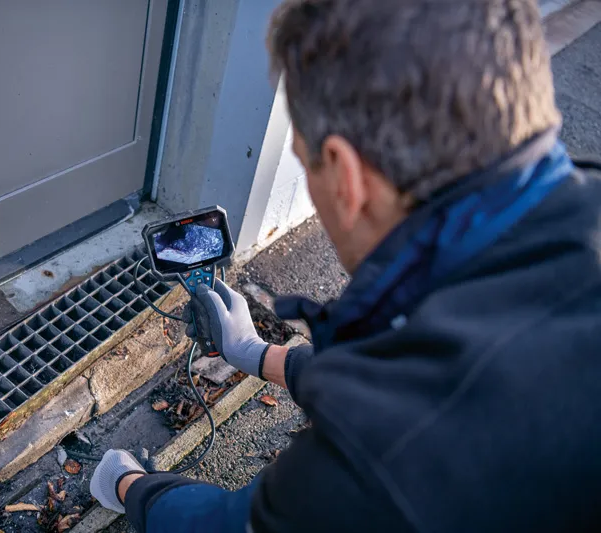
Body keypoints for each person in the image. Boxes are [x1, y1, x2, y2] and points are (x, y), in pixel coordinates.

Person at [90, 0, 601, 530]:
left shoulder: (379, 471)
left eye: (305, 160)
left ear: (345, 176)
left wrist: (131, 486)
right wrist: (260, 355)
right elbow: (419, 361)